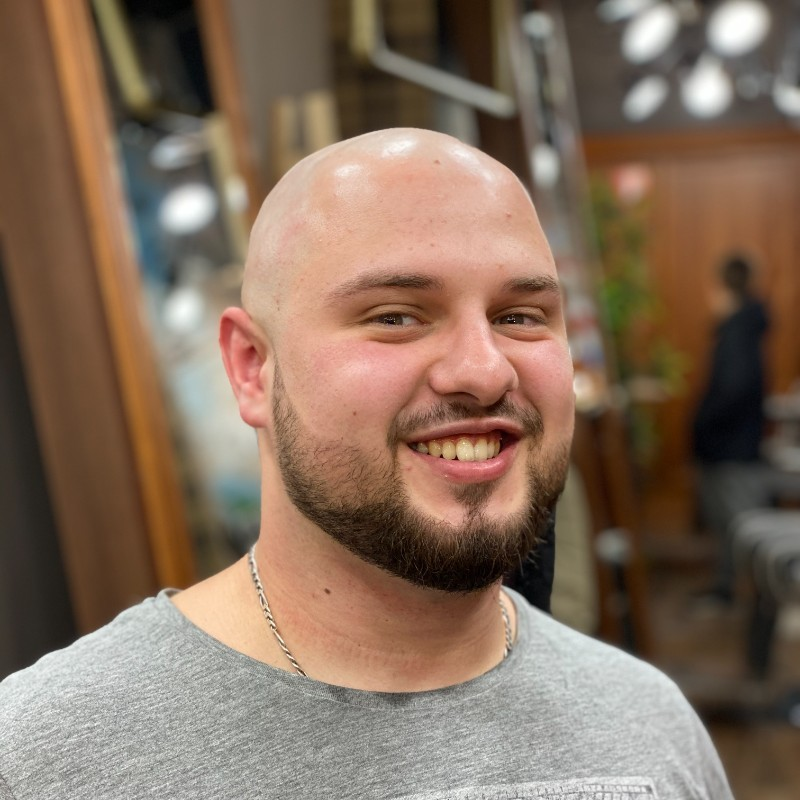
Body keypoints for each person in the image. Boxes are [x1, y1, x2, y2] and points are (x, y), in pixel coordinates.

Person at [0, 129, 732, 799]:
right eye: (396, 317)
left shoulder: (648, 726)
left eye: (519, 316)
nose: (484, 372)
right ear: (252, 367)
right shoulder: (48, 759)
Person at [692, 253, 771, 604]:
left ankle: (749, 602)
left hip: (731, 448)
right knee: (732, 527)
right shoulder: (744, 328)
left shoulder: (738, 331)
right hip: (733, 444)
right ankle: (734, 595)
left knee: (738, 527)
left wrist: (704, 426)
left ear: (723, 287)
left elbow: (733, 390)